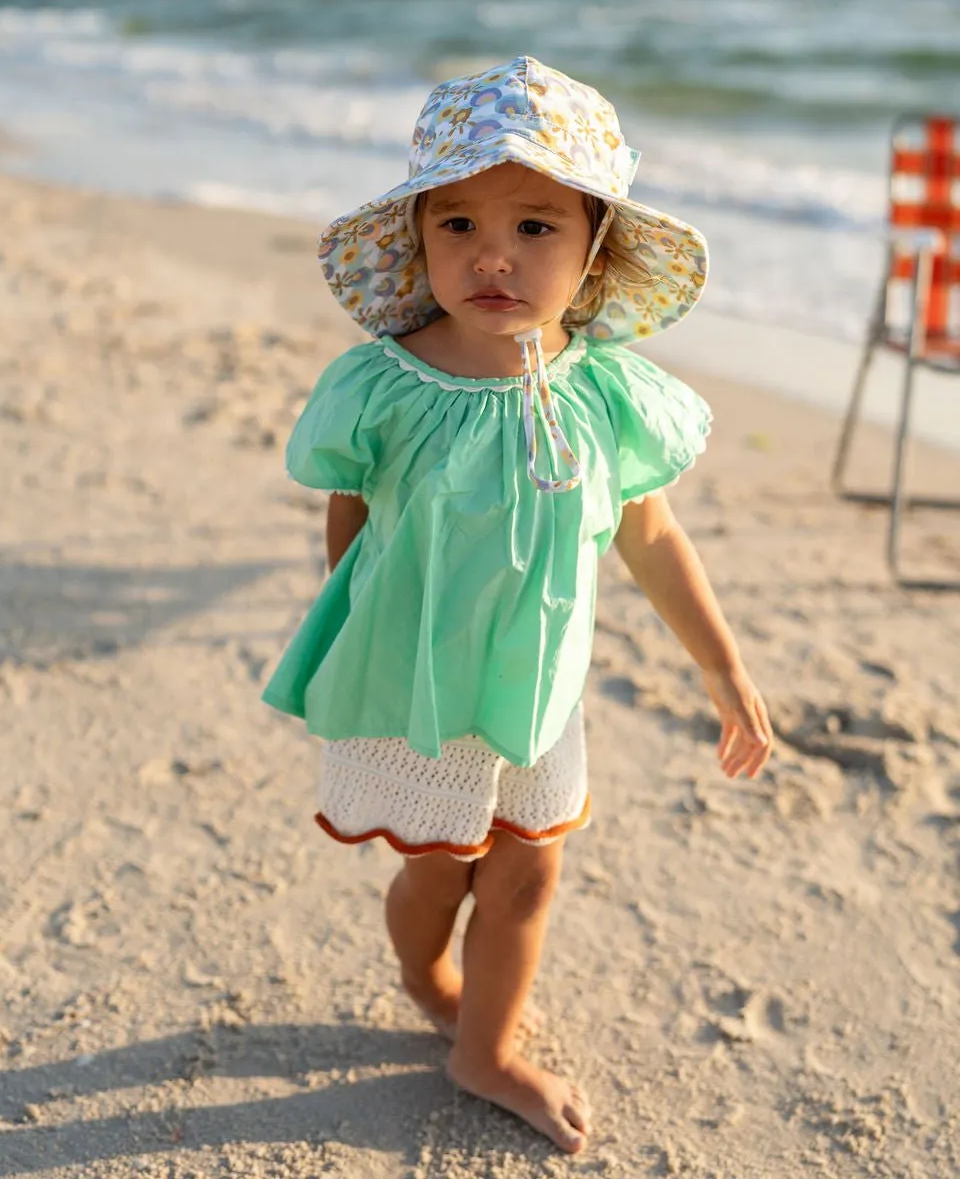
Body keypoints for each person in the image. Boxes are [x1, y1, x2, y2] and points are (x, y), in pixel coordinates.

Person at [262, 56, 773, 1154]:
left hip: (539, 685)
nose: (492, 256)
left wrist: (721, 667)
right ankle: (424, 970)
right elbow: (349, 520)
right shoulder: (385, 385)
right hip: (415, 680)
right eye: (457, 226)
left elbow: (650, 534)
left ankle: (484, 1049)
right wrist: (343, 623)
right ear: (419, 241)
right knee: (436, 866)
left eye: (536, 227)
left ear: (595, 251)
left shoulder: (603, 392)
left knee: (530, 866)